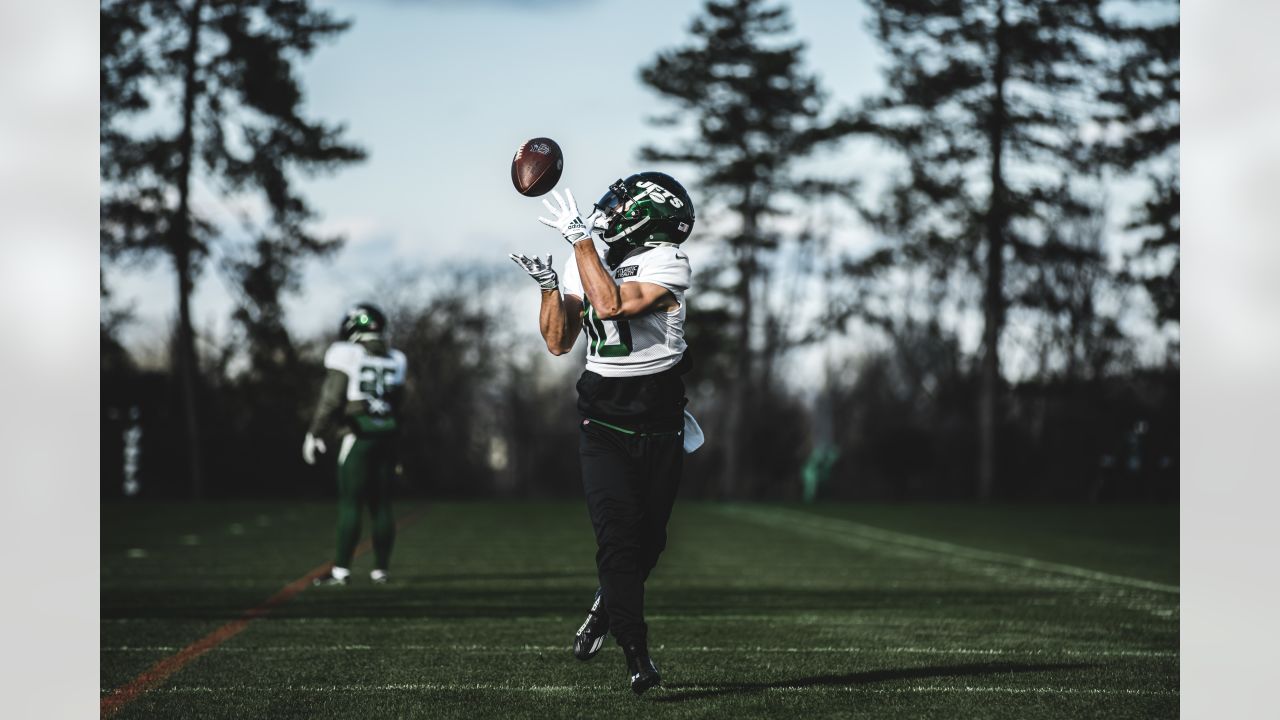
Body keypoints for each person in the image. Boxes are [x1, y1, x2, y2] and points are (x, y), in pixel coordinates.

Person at [509, 173, 703, 695]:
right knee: (617, 537)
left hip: (659, 421)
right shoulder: (587, 255)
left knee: (650, 542)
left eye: (622, 202)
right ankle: (637, 655)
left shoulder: (667, 259)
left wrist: (580, 243)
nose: (610, 207)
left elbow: (614, 304)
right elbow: (557, 340)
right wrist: (552, 287)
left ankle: (606, 603)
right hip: (604, 420)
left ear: (647, 214)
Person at [302, 303, 407, 586]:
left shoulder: (345, 353)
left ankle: (341, 572)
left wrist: (316, 432)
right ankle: (381, 571)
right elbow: (397, 405)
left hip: (358, 434)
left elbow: (332, 398)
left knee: (351, 504)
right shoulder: (397, 358)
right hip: (387, 434)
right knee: (382, 505)